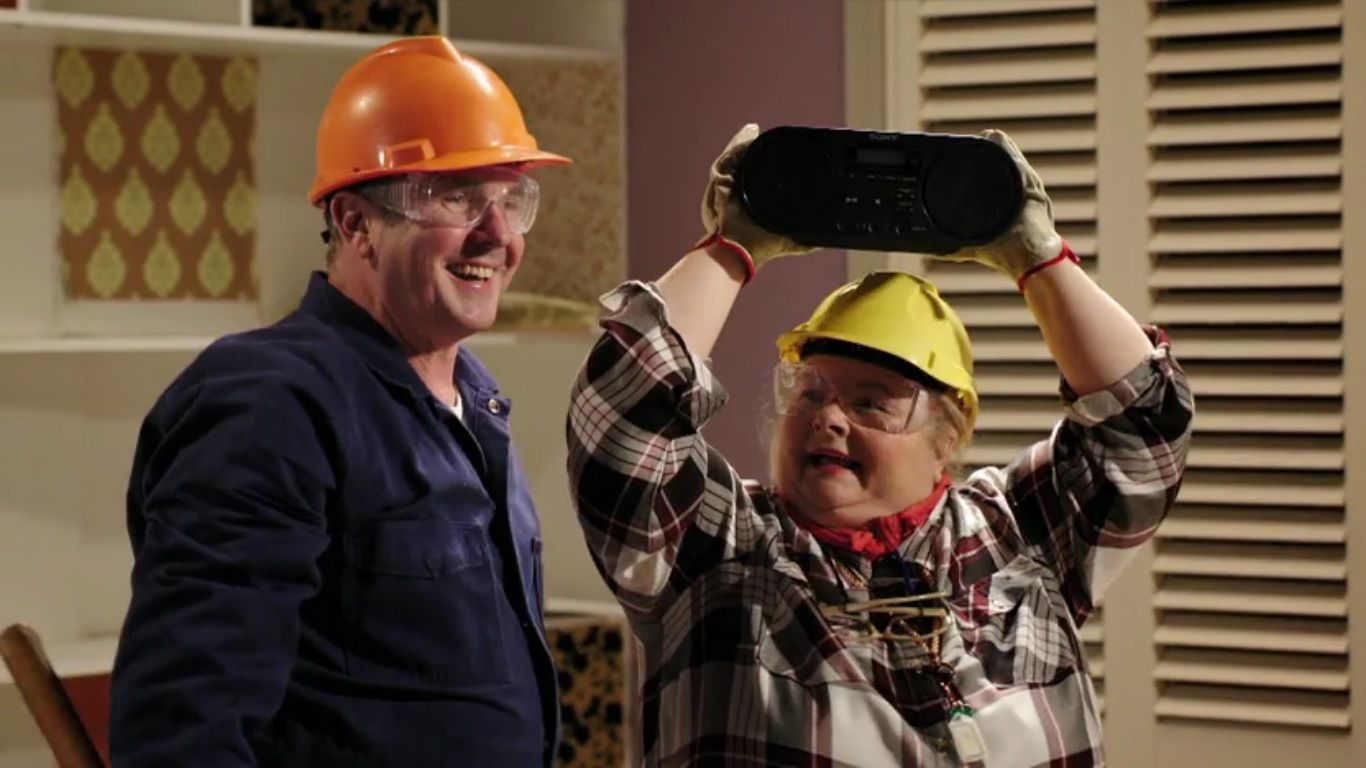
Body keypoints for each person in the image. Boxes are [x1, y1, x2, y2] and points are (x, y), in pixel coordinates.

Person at [566, 124, 1192, 766]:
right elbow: (622, 416)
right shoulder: (721, 551)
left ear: (949, 434)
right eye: (809, 393)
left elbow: (1144, 424)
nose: (827, 418)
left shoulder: (1018, 533)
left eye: (870, 403)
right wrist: (731, 247)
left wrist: (1040, 260)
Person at [110, 37, 568, 767]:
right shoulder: (270, 405)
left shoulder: (472, 400)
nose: (497, 235)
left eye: (511, 201)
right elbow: (185, 727)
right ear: (355, 224)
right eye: (456, 197)